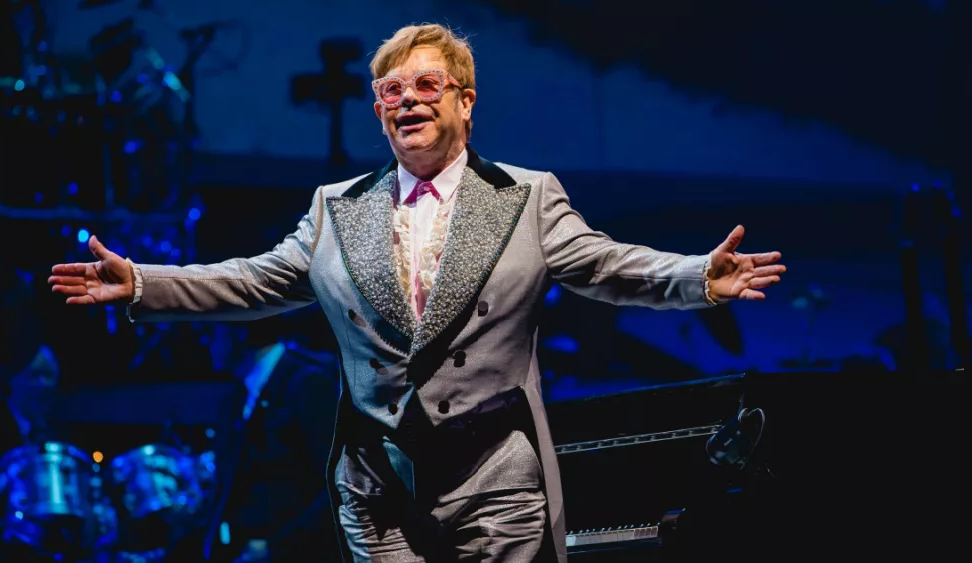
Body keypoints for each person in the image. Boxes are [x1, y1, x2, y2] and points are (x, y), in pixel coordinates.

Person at [49, 23, 786, 563]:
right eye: (389, 92)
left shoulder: (524, 197)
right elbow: (254, 279)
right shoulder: (338, 207)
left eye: (427, 86)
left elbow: (607, 264)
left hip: (495, 479)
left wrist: (697, 276)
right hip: (379, 489)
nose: (407, 101)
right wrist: (144, 281)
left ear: (466, 103)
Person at [198, 323, 340, 562]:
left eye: (213, 331)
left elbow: (337, 485)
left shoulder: (307, 384)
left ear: (240, 330)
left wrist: (276, 547)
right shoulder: (236, 398)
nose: (206, 343)